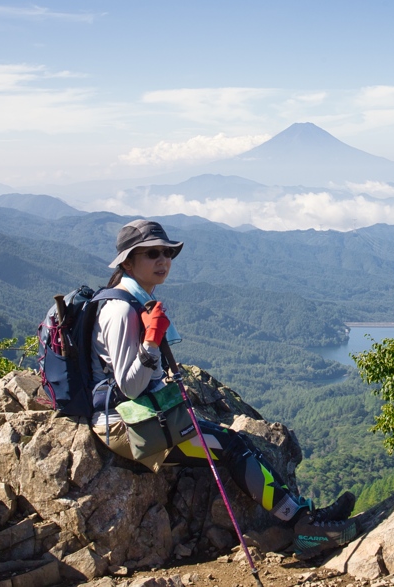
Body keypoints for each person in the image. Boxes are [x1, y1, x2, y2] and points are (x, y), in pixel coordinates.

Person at [90, 219, 360, 556]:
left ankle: (307, 515)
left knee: (234, 440)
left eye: (168, 252)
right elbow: (130, 386)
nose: (163, 260)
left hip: (143, 415)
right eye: (151, 254)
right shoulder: (119, 310)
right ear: (128, 262)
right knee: (231, 445)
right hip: (126, 426)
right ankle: (305, 530)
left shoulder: (137, 300)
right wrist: (150, 342)